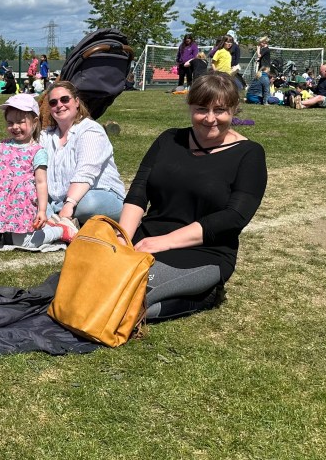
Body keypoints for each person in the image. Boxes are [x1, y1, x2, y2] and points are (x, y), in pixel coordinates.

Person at [119, 71, 267, 321]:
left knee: (127, 301)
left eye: (220, 110)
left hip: (203, 251)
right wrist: (122, 238)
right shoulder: (169, 139)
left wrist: (165, 242)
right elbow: (138, 192)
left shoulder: (249, 154)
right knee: (89, 281)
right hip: (145, 240)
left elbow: (234, 217)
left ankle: (205, 295)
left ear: (233, 110)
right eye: (201, 109)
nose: (210, 119)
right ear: (190, 107)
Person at [0, 94, 77, 248]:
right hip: (1, 202)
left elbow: (41, 182)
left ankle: (60, 230)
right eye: (10, 122)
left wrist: (42, 210)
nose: (15, 127)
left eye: (21, 122)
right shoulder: (2, 146)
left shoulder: (37, 151)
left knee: (24, 242)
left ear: (35, 122)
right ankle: (46, 226)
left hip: (22, 204)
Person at [39, 81, 126, 224]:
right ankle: (59, 218)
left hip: (100, 195)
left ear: (77, 102)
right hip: (60, 201)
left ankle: (55, 215)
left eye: (65, 99)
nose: (59, 105)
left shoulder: (91, 130)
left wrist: (69, 203)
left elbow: (86, 171)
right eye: (53, 102)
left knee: (88, 204)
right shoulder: (46, 136)